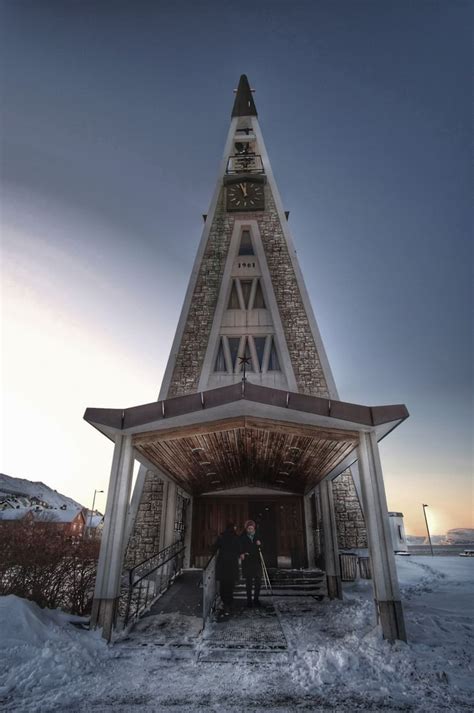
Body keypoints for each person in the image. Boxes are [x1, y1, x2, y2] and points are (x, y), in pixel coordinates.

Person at [212, 521, 240, 615]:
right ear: (233, 528)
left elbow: (213, 548)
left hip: (223, 565)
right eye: (235, 527)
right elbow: (240, 549)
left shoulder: (221, 537)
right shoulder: (236, 538)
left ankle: (226, 604)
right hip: (232, 565)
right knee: (230, 585)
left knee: (223, 585)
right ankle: (230, 603)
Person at [239, 519, 263, 607]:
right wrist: (242, 553)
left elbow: (263, 547)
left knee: (258, 581)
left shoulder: (258, 536)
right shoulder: (242, 537)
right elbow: (240, 547)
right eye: (248, 528)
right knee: (249, 582)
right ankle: (249, 600)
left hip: (256, 561)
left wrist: (260, 544)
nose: (250, 530)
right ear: (246, 529)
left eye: (251, 528)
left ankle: (256, 599)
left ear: (254, 528)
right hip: (248, 562)